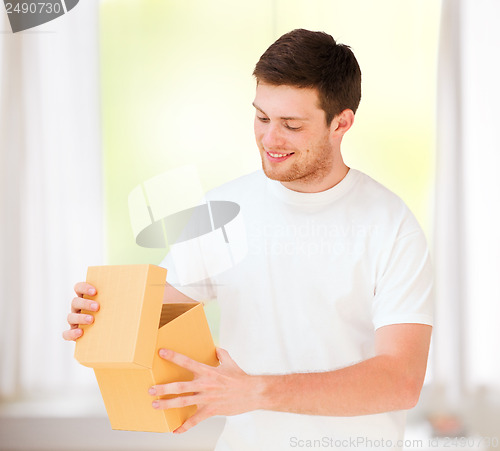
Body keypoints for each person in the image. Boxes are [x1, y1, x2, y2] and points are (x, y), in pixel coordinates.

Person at [64, 29, 433, 451]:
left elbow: (401, 381)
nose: (270, 139)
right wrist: (102, 314)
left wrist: (256, 391)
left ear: (341, 123)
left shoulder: (391, 225)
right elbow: (160, 314)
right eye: (261, 117)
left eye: (291, 125)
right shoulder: (222, 208)